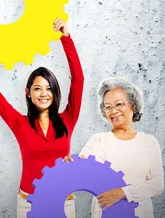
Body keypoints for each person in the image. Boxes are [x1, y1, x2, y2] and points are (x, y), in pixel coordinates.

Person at [0, 18, 84, 218]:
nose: (43, 93)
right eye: (37, 88)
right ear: (28, 92)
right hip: (28, 203)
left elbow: (78, 80)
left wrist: (66, 38)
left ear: (55, 93)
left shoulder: (67, 120)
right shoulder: (20, 123)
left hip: (63, 202)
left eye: (49, 88)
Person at [65, 77, 163, 217]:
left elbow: (156, 185)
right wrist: (70, 165)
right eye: (108, 107)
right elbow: (80, 171)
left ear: (133, 106)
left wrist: (122, 193)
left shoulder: (149, 143)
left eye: (119, 104)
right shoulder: (98, 141)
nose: (113, 111)